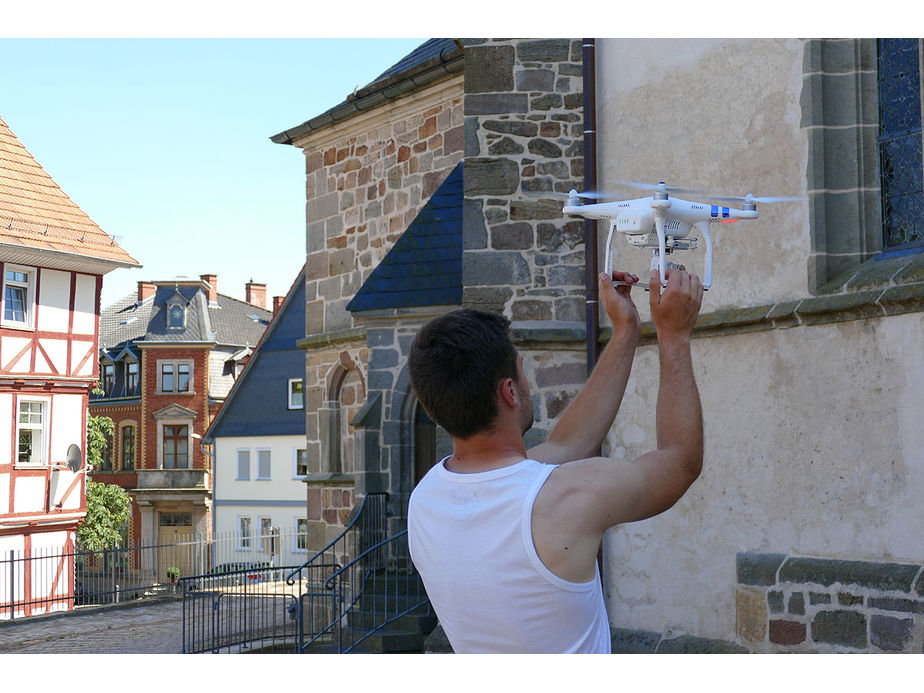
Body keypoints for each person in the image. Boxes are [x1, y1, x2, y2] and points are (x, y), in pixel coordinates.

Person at [407, 267, 704, 654]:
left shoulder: (426, 499)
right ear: (510, 392)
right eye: (521, 370)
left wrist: (626, 331)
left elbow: (568, 443)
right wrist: (673, 335)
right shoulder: (565, 499)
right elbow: (680, 461)